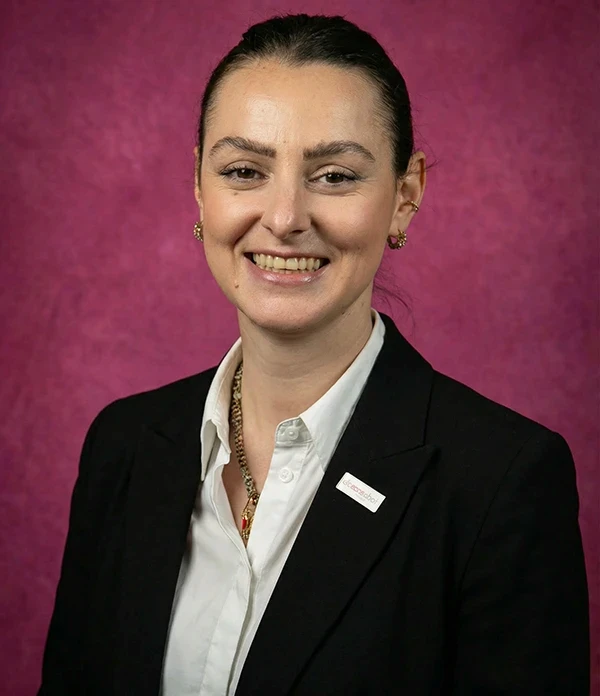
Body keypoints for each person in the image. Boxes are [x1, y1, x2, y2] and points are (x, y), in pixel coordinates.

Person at [38, 13, 589, 696]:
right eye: (244, 170)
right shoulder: (122, 447)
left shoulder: (501, 482)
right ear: (200, 188)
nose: (285, 217)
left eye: (334, 176)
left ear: (405, 197)